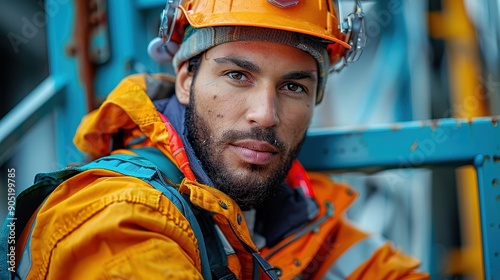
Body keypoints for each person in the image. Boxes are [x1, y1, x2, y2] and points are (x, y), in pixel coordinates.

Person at [9, 0, 429, 279]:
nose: (265, 114)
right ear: (187, 79)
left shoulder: (293, 217)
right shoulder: (116, 216)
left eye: (294, 87)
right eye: (237, 76)